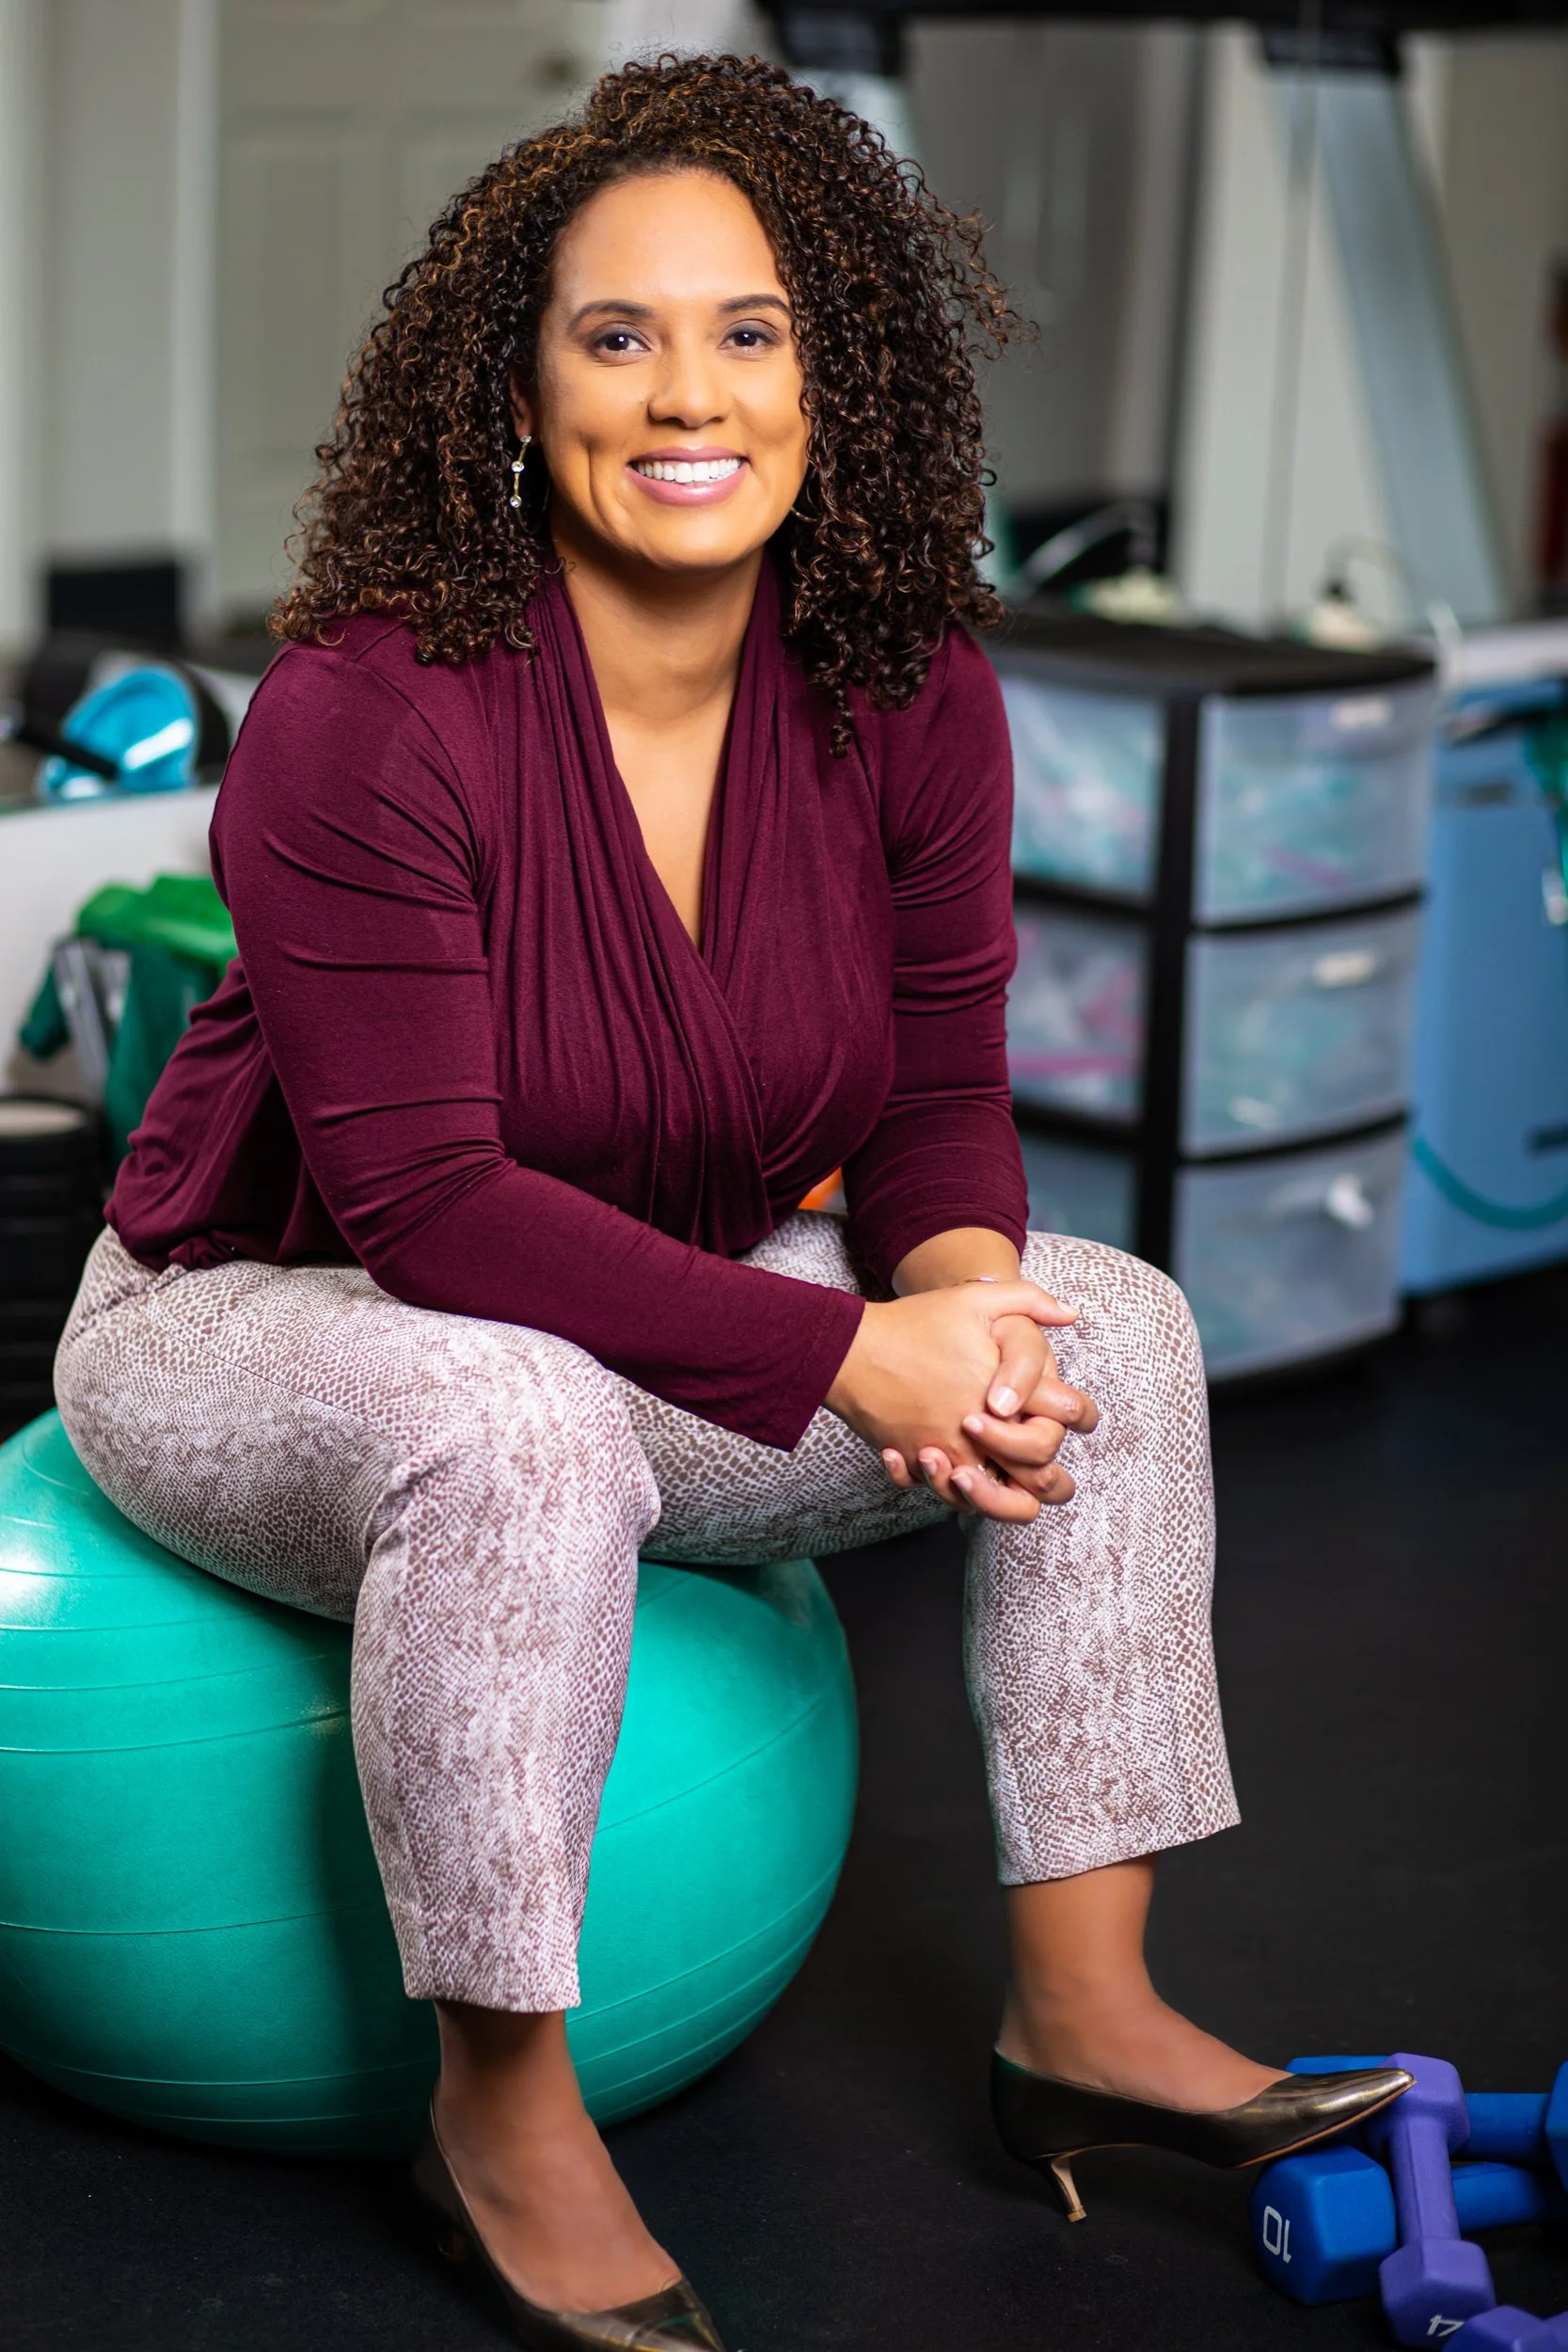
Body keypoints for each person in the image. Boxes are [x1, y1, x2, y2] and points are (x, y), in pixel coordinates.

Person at [53, 54, 1408, 2352]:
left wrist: (958, 1314)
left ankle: (1081, 2009)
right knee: (509, 1425)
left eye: (748, 331)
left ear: (827, 377)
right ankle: (499, 2107)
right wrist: (845, 1350)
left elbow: (940, 1099)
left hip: (640, 1309)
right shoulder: (367, 711)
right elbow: (428, 1206)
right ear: (517, 392)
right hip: (262, 1317)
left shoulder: (908, 688)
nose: (688, 393)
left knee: (1104, 1320)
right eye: (618, 336)